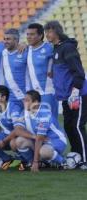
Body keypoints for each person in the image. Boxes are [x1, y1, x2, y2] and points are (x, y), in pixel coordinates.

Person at [44, 20, 87, 169]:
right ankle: (77, 156)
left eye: (49, 31)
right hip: (65, 97)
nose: (47, 35)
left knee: (77, 126)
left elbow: (78, 72)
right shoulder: (56, 49)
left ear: (57, 31)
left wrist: (75, 91)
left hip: (77, 95)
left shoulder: (67, 48)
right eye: (46, 32)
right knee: (69, 127)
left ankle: (85, 159)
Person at [23, 90, 67, 172]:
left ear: (35, 102)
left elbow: (39, 139)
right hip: (42, 141)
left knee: (44, 151)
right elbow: (18, 129)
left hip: (56, 140)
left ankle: (62, 161)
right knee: (19, 141)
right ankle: (37, 162)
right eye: (24, 100)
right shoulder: (25, 111)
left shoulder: (44, 114)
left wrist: (36, 161)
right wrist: (32, 136)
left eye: (27, 100)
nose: (24, 102)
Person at [26, 23, 58, 118]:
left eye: (32, 34)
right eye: (27, 34)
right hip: (34, 95)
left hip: (48, 92)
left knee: (51, 122)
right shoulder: (26, 49)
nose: (29, 37)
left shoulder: (50, 47)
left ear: (40, 36)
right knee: (37, 123)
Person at [2, 29, 28, 109]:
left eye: (8, 39)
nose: (6, 41)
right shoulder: (3, 52)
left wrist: (26, 44)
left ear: (16, 40)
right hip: (10, 98)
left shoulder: (26, 52)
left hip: (25, 96)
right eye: (5, 39)